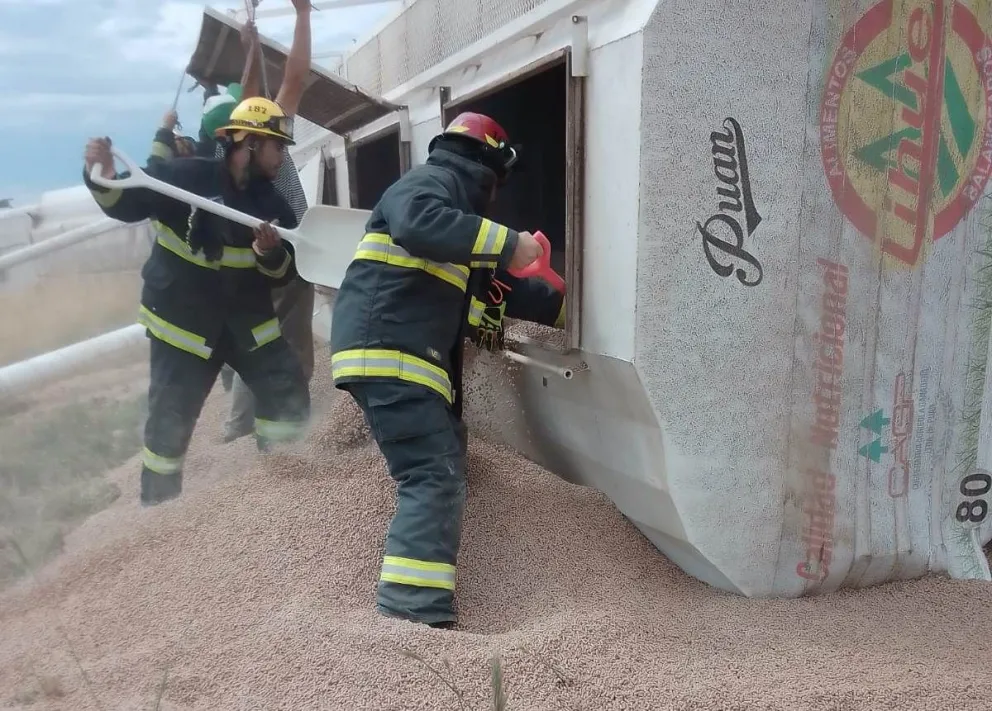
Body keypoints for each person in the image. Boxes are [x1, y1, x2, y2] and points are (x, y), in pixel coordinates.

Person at [329, 112, 566, 628]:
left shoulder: (456, 223)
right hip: (390, 353)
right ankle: (413, 614)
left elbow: (507, 290)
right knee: (432, 473)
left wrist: (569, 308)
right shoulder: (432, 183)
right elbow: (419, 223)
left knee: (446, 450)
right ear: (486, 167)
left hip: (393, 355)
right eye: (498, 183)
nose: (496, 196)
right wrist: (510, 242)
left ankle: (416, 597)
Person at [81, 95, 311, 507]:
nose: (282, 157)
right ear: (251, 142)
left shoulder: (274, 208)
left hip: (247, 325)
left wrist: (270, 253)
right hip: (183, 326)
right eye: (278, 146)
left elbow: (285, 272)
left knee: (286, 388)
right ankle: (161, 513)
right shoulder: (181, 177)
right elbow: (125, 203)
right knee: (170, 421)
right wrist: (99, 172)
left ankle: (284, 481)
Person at [220, 0, 315, 444]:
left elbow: (253, 101)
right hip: (284, 253)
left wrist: (251, 47)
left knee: (258, 338)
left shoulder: (239, 156)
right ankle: (277, 432)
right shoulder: (266, 161)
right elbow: (294, 78)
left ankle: (239, 431)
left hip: (257, 261)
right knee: (288, 344)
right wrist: (302, 14)